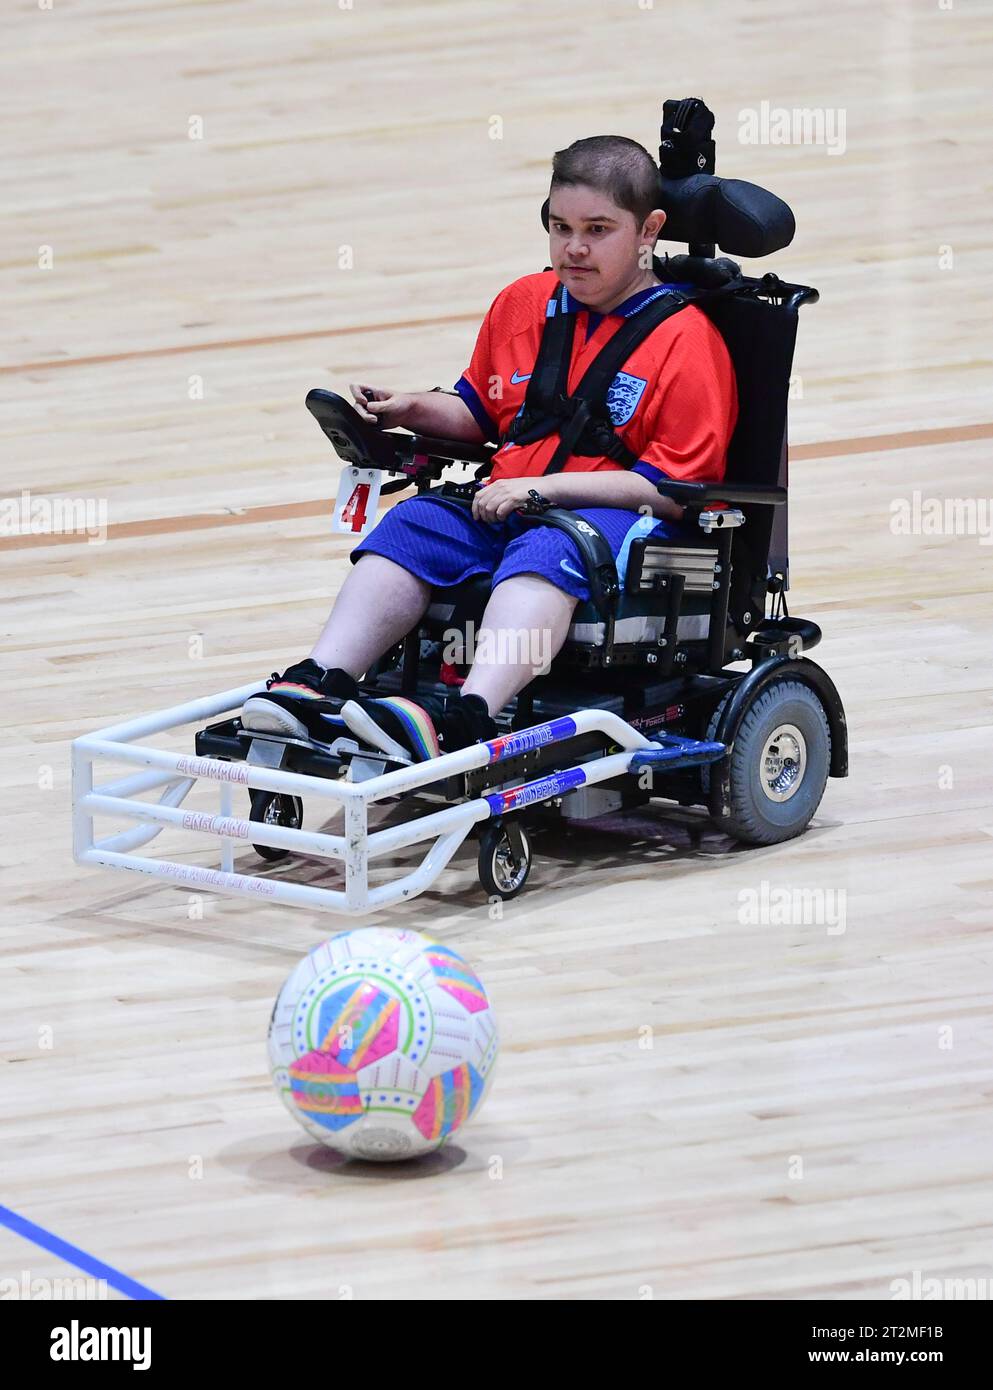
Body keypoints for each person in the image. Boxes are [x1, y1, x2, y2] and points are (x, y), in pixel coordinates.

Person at [242, 134, 738, 763]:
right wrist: (410, 407)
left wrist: (544, 491)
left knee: (552, 544)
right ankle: (318, 682)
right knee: (415, 522)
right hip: (507, 504)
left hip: (614, 527)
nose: (574, 248)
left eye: (598, 229)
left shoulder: (688, 342)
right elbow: (480, 410)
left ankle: (464, 718)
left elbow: (666, 491)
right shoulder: (523, 304)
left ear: (649, 230)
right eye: (560, 227)